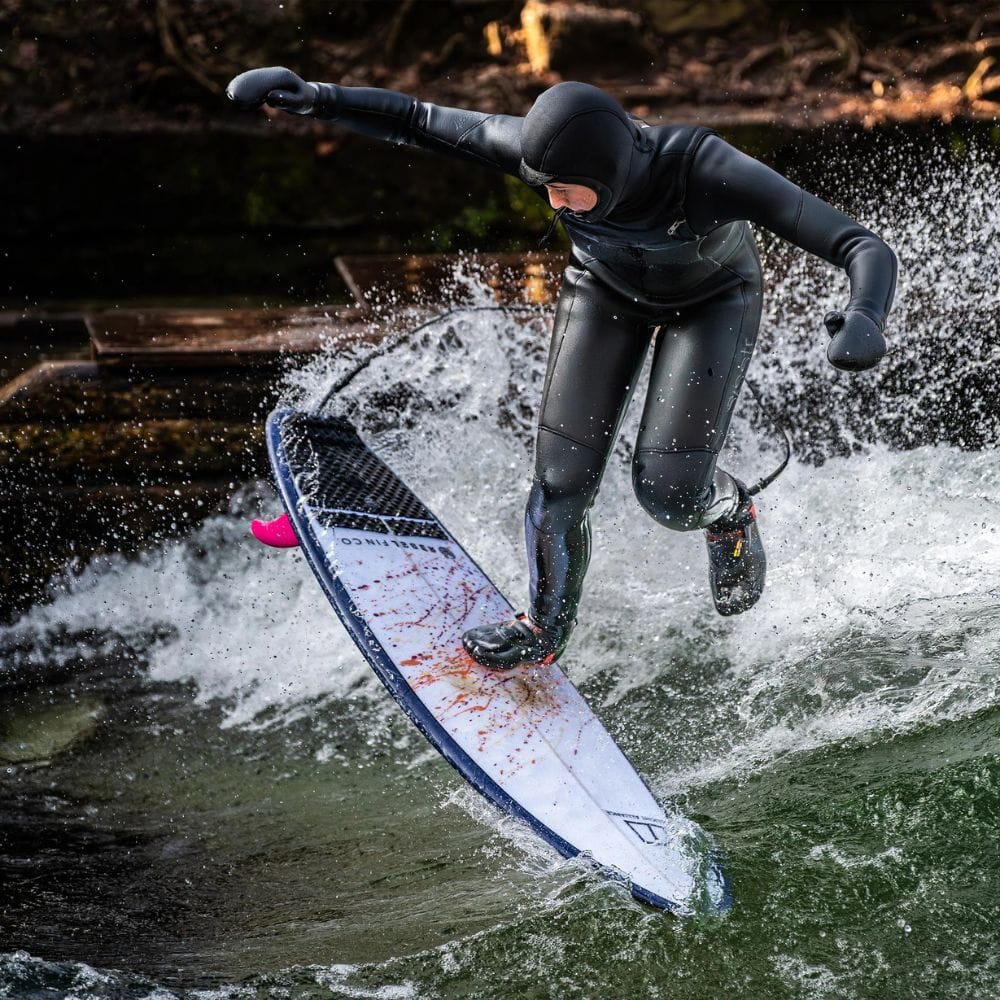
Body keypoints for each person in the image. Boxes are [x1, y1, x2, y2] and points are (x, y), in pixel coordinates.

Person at [228, 67, 897, 670]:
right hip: (603, 293)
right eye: (543, 189)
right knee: (560, 484)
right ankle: (542, 631)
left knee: (667, 494)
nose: (552, 205)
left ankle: (728, 513)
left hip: (712, 302)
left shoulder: (704, 167)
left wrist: (865, 314)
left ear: (608, 173)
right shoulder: (536, 152)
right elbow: (418, 120)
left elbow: (858, 243)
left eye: (567, 193)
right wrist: (316, 98)